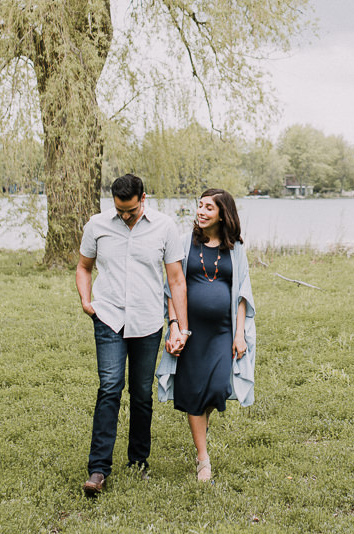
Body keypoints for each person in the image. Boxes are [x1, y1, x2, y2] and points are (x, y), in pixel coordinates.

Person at [76, 174, 190, 497]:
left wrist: (181, 326)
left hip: (148, 322)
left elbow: (176, 280)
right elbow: (84, 267)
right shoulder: (97, 226)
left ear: (143, 199)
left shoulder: (165, 227)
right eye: (120, 210)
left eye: (131, 210)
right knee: (110, 387)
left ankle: (138, 462)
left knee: (141, 395)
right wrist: (87, 301)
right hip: (109, 317)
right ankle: (98, 470)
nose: (125, 216)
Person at [157, 188, 256, 482]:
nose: (201, 212)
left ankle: (201, 426)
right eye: (199, 206)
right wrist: (175, 325)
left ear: (222, 213)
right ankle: (203, 459)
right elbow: (172, 288)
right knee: (194, 392)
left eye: (208, 208)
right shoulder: (185, 244)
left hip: (222, 332)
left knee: (216, 390)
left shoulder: (235, 248)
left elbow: (241, 294)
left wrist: (239, 334)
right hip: (191, 333)